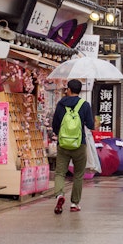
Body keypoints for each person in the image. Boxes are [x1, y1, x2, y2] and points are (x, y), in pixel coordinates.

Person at [52, 79, 95, 214]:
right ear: (79, 91)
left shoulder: (61, 104)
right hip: (79, 144)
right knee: (78, 174)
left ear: (68, 90)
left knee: (60, 173)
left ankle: (59, 194)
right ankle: (74, 203)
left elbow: (55, 125)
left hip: (63, 144)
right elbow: (90, 125)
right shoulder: (85, 105)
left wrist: (61, 135)